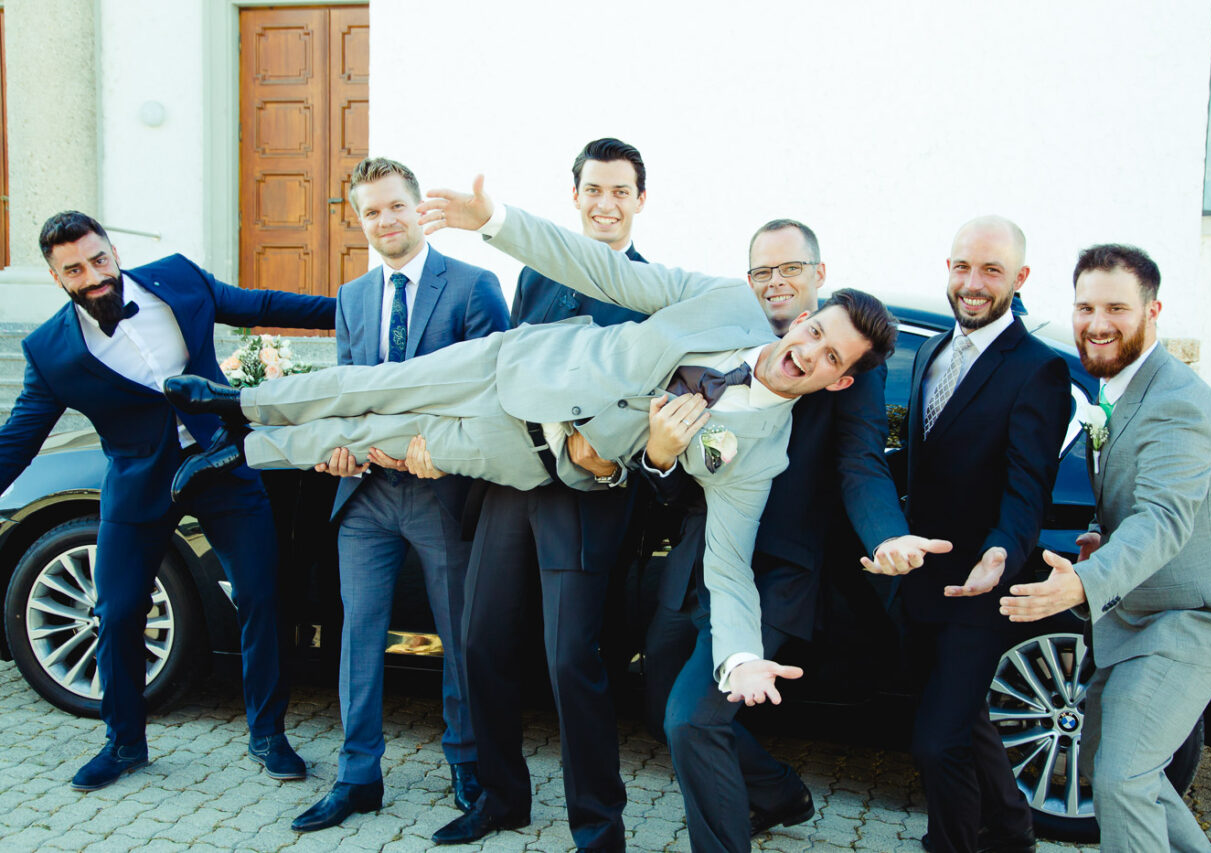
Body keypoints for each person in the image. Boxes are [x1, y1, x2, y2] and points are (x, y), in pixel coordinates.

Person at [165, 181, 898, 727]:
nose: (804, 354)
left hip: (526, 452)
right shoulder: (726, 302)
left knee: (375, 438)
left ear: (840, 377)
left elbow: (728, 566)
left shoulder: (761, 454)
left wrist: (739, 656)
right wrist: (497, 222)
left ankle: (242, 452)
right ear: (803, 319)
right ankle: (232, 404)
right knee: (376, 386)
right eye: (812, 334)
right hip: (515, 364)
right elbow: (606, 273)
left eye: (827, 357)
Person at [639, 219, 950, 851]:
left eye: (791, 270)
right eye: (763, 271)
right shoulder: (728, 340)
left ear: (819, 277)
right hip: (699, 560)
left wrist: (886, 535)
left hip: (774, 574)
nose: (776, 282)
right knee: (658, 704)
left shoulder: (844, 364)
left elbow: (861, 465)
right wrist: (660, 456)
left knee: (693, 722)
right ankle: (780, 792)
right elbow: (679, 475)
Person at [0, 211, 335, 791]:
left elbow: (258, 306)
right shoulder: (50, 352)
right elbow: (19, 439)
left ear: (113, 252)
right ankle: (124, 742)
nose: (95, 275)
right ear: (58, 278)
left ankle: (268, 734)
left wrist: (350, 311)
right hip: (138, 482)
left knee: (261, 596)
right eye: (76, 268)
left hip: (221, 465)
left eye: (100, 259)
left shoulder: (178, 279)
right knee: (118, 611)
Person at [1001, 244, 1211, 852]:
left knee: (1121, 776)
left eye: (1116, 307)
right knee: (1106, 762)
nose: (1097, 323)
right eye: (1086, 307)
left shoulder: (1176, 405)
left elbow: (1166, 517)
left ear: (1153, 310)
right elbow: (1139, 503)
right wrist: (1103, 539)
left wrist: (1083, 583)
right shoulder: (1122, 386)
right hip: (1141, 611)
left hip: (1192, 616)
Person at [430, 139, 648, 849]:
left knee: (568, 660)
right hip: (512, 482)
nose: (606, 203)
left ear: (640, 200)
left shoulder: (650, 287)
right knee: (479, 639)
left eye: (620, 190)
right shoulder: (535, 275)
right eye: (594, 189)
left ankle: (598, 824)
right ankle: (501, 798)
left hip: (584, 494)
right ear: (576, 195)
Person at [289, 157, 509, 832]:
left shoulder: (474, 286)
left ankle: (468, 764)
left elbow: (493, 392)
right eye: (370, 212)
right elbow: (346, 391)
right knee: (358, 635)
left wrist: (437, 450)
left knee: (457, 633)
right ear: (360, 222)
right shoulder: (353, 296)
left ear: (419, 209)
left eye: (394, 206)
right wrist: (334, 440)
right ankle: (359, 776)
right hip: (365, 496)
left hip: (441, 493)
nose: (384, 220)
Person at [862, 216, 1071, 853]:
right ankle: (1011, 832)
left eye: (991, 271)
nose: (972, 284)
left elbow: (1028, 483)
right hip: (921, 580)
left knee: (937, 739)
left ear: (1020, 279)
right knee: (966, 721)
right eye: (962, 267)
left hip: (982, 589)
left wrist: (1003, 550)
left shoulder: (1039, 370)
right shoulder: (929, 351)